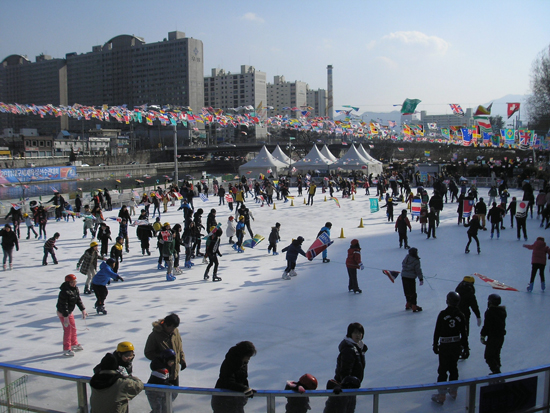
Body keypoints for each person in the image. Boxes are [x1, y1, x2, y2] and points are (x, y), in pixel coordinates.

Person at [431, 292, 468, 405]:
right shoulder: (461, 315)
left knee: (442, 369)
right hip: (456, 345)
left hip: (445, 345)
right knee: (453, 368)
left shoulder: (443, 314)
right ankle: (453, 391)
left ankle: (441, 395)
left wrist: (435, 344)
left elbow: (437, 330)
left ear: (447, 301)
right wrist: (466, 347)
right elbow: (464, 333)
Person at [326, 323, 368, 413]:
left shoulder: (358, 347)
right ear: (350, 334)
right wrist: (346, 384)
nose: (358, 335)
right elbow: (345, 369)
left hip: (351, 386)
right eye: (355, 333)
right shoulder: (349, 349)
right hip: (345, 387)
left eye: (360, 333)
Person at [211, 341, 257, 413]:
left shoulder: (243, 363)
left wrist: (247, 389)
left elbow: (243, 379)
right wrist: (244, 389)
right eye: (248, 356)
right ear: (242, 355)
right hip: (223, 401)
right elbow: (228, 382)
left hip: (236, 401)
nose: (249, 359)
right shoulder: (229, 362)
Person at [144, 313, 186, 386]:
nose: (173, 330)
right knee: (162, 396)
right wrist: (162, 358)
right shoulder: (154, 336)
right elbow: (148, 353)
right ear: (166, 325)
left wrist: (182, 359)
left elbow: (179, 347)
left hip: (174, 373)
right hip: (162, 375)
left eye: (175, 328)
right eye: (172, 328)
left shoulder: (175, 332)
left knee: (174, 395)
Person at [56, 274, 87, 357]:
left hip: (69, 312)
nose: (74, 284)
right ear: (67, 283)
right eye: (72, 282)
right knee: (68, 330)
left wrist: (83, 310)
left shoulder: (75, 289)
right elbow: (63, 305)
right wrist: (65, 317)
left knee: (73, 328)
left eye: (75, 282)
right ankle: (66, 348)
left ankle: (74, 343)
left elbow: (78, 300)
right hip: (63, 313)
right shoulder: (64, 292)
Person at [455, 276, 481, 359]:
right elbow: (474, 304)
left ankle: (457, 346)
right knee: (465, 331)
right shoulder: (469, 292)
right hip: (464, 314)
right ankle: (463, 346)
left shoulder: (459, 287)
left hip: (456, 312)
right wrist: (478, 316)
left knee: (457, 330)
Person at [480, 294, 507, 375]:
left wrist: (482, 335)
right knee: (496, 354)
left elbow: (487, 325)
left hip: (493, 337)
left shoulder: (490, 312)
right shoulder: (502, 311)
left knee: (488, 356)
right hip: (500, 337)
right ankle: (497, 367)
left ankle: (496, 371)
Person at [146, 348, 177, 413]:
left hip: (157, 392)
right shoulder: (161, 370)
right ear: (165, 360)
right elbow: (162, 382)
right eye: (170, 361)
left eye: (173, 361)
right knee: (158, 410)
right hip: (153, 392)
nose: (172, 363)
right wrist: (171, 386)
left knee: (164, 408)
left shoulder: (162, 366)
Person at [401, 247, 424, 311]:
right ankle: (414, 306)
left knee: (407, 291)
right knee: (412, 292)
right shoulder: (416, 260)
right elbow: (418, 270)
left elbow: (403, 264)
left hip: (404, 276)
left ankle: (408, 303)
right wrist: (421, 278)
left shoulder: (407, 257)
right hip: (411, 278)